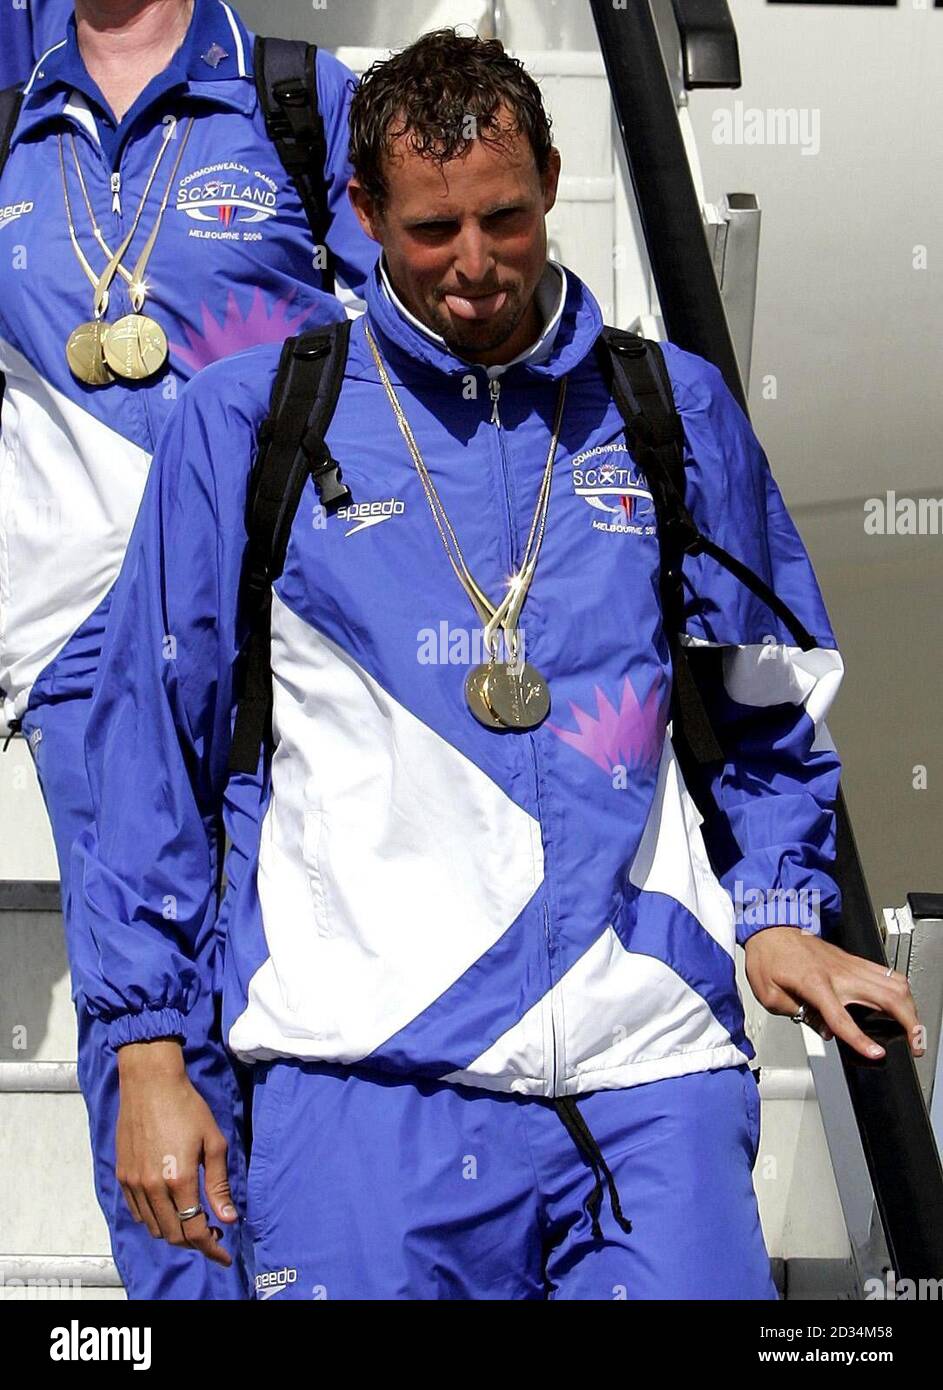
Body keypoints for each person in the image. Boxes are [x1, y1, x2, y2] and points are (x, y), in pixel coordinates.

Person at [74, 28, 923, 1300]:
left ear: (552, 181)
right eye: (430, 232)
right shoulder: (249, 421)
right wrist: (147, 1050)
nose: (476, 266)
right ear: (364, 215)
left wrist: (779, 910)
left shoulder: (669, 408)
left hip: (648, 1067)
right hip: (362, 1075)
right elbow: (148, 750)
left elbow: (763, 700)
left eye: (507, 218)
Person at [0, 0, 376, 1299]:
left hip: (271, 628)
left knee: (300, 981)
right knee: (140, 1023)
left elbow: (433, 323)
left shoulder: (293, 93)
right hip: (81, 647)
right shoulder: (12, 91)